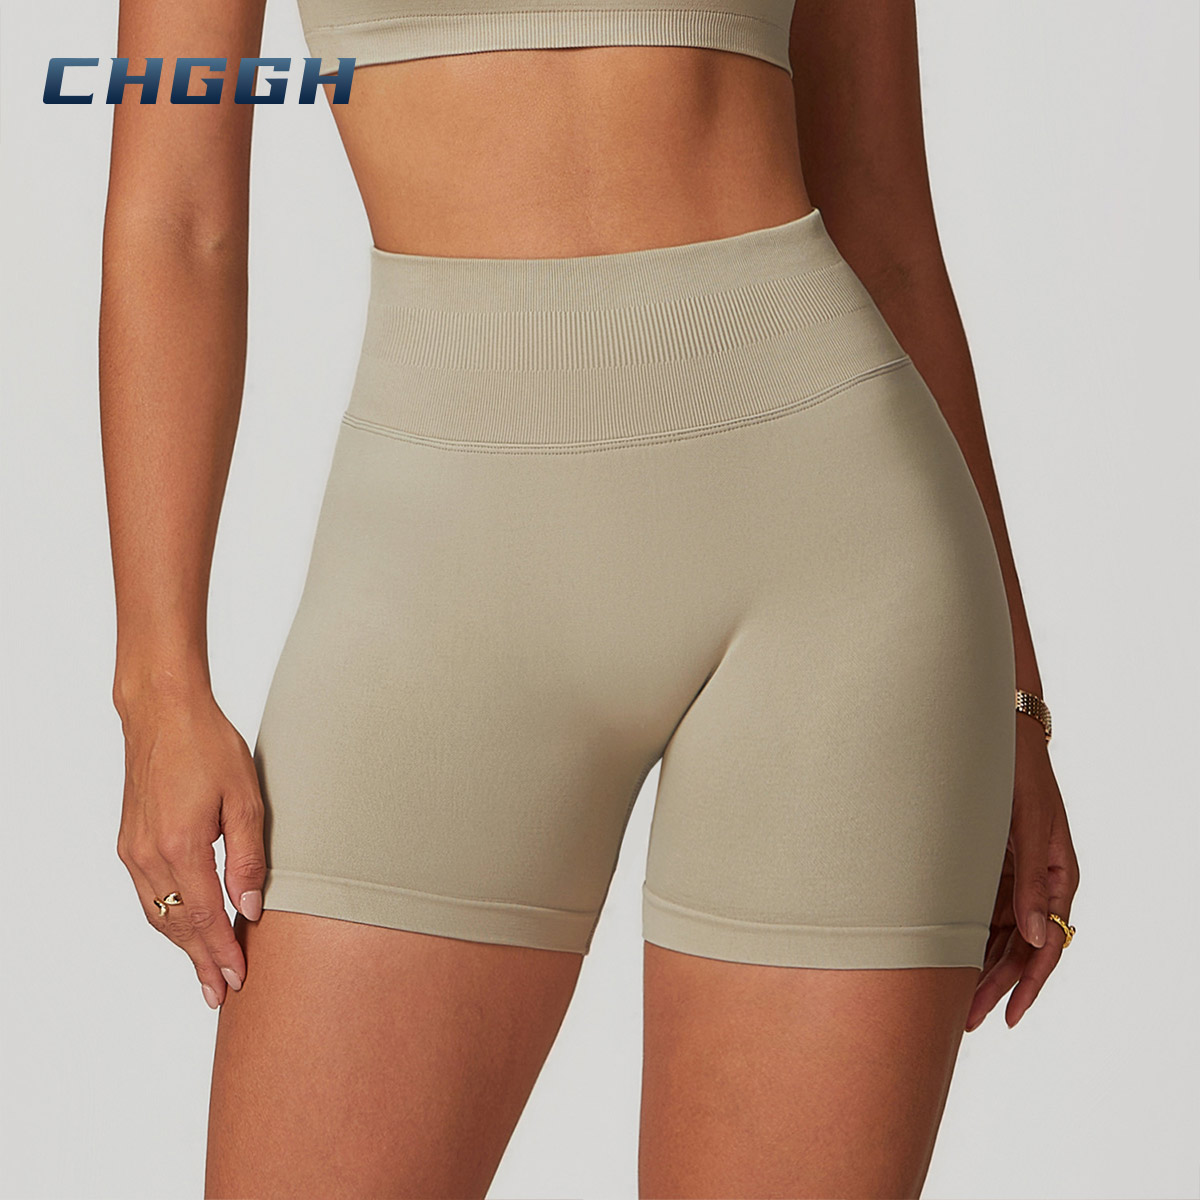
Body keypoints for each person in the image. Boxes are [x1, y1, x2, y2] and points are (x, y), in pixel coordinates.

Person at [100, 1, 1080, 1195]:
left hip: (840, 564)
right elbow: (176, 217)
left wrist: (1016, 705)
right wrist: (157, 685)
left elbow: (885, 220)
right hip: (439, 574)